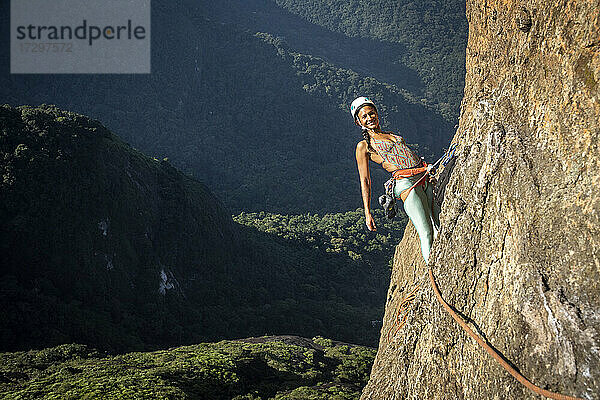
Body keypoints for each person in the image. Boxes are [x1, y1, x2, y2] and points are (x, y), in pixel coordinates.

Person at [352, 96, 440, 263]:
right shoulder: (364, 146)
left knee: (438, 225)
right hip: (406, 184)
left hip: (423, 176)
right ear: (358, 122)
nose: (370, 118)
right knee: (426, 232)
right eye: (364, 116)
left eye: (372, 113)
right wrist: (367, 212)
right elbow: (365, 180)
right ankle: (433, 273)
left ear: (377, 114)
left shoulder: (391, 135)